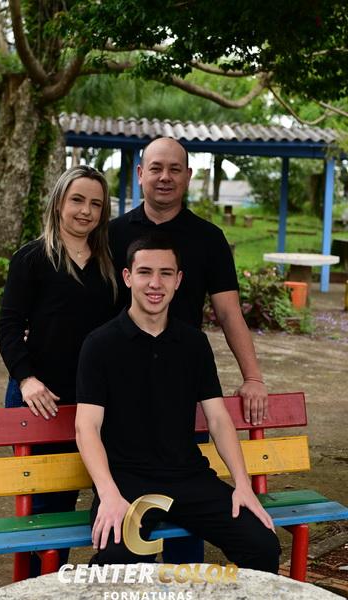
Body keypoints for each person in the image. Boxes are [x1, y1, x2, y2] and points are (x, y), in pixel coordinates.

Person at [75, 233, 280, 571]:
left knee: (262, 545)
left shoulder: (194, 344)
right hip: (128, 481)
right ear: (127, 277)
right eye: (145, 272)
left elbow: (218, 419)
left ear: (178, 280)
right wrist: (109, 493)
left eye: (166, 273)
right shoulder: (100, 344)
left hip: (189, 478)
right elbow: (86, 427)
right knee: (119, 561)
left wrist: (242, 485)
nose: (155, 283)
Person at [0, 165, 117, 575]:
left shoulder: (109, 264)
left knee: (79, 497)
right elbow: (8, 327)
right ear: (58, 203)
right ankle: (36, 584)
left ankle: (69, 579)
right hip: (41, 399)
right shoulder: (32, 258)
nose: (85, 211)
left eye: (95, 204)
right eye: (77, 200)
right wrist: (26, 379)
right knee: (43, 506)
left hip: (92, 399)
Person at [109, 137, 267, 427]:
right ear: (140, 173)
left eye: (175, 169)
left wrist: (253, 378)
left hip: (184, 374)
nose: (165, 177)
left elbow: (229, 312)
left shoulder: (209, 239)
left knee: (185, 453)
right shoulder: (110, 235)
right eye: (156, 168)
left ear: (188, 176)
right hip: (118, 373)